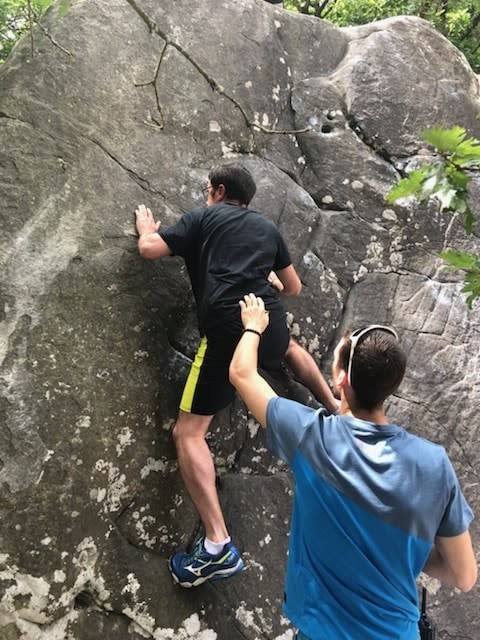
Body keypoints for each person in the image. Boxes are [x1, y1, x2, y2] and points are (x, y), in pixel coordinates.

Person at [135, 162, 338, 588]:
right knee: (287, 349)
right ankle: (335, 405)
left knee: (188, 434)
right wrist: (264, 278)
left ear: (218, 191)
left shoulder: (203, 218)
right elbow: (294, 287)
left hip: (228, 332)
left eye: (207, 189)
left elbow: (150, 250)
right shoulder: (266, 228)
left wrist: (146, 230)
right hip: (267, 320)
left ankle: (216, 544)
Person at [229, 293, 477, 640]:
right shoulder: (433, 464)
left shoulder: (310, 438)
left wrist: (253, 326)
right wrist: (402, 548)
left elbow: (241, 373)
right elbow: (464, 576)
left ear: (341, 379)